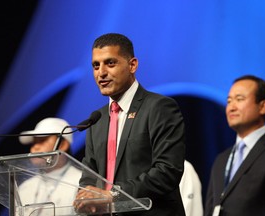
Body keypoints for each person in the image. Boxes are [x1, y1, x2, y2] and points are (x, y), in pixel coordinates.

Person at [75, 33, 186, 216]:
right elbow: (89, 174)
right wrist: (85, 195)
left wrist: (113, 195)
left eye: (110, 63)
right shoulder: (98, 119)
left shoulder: (159, 107)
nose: (101, 72)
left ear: (132, 65)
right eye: (96, 65)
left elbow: (167, 172)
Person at [204, 75, 265, 216]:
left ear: (262, 106)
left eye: (239, 99)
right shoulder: (221, 159)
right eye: (229, 101)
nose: (231, 107)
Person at [18, 117, 82, 214]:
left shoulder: (82, 184)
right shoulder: (25, 188)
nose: (35, 147)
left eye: (42, 140)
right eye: (34, 142)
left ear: (63, 145)